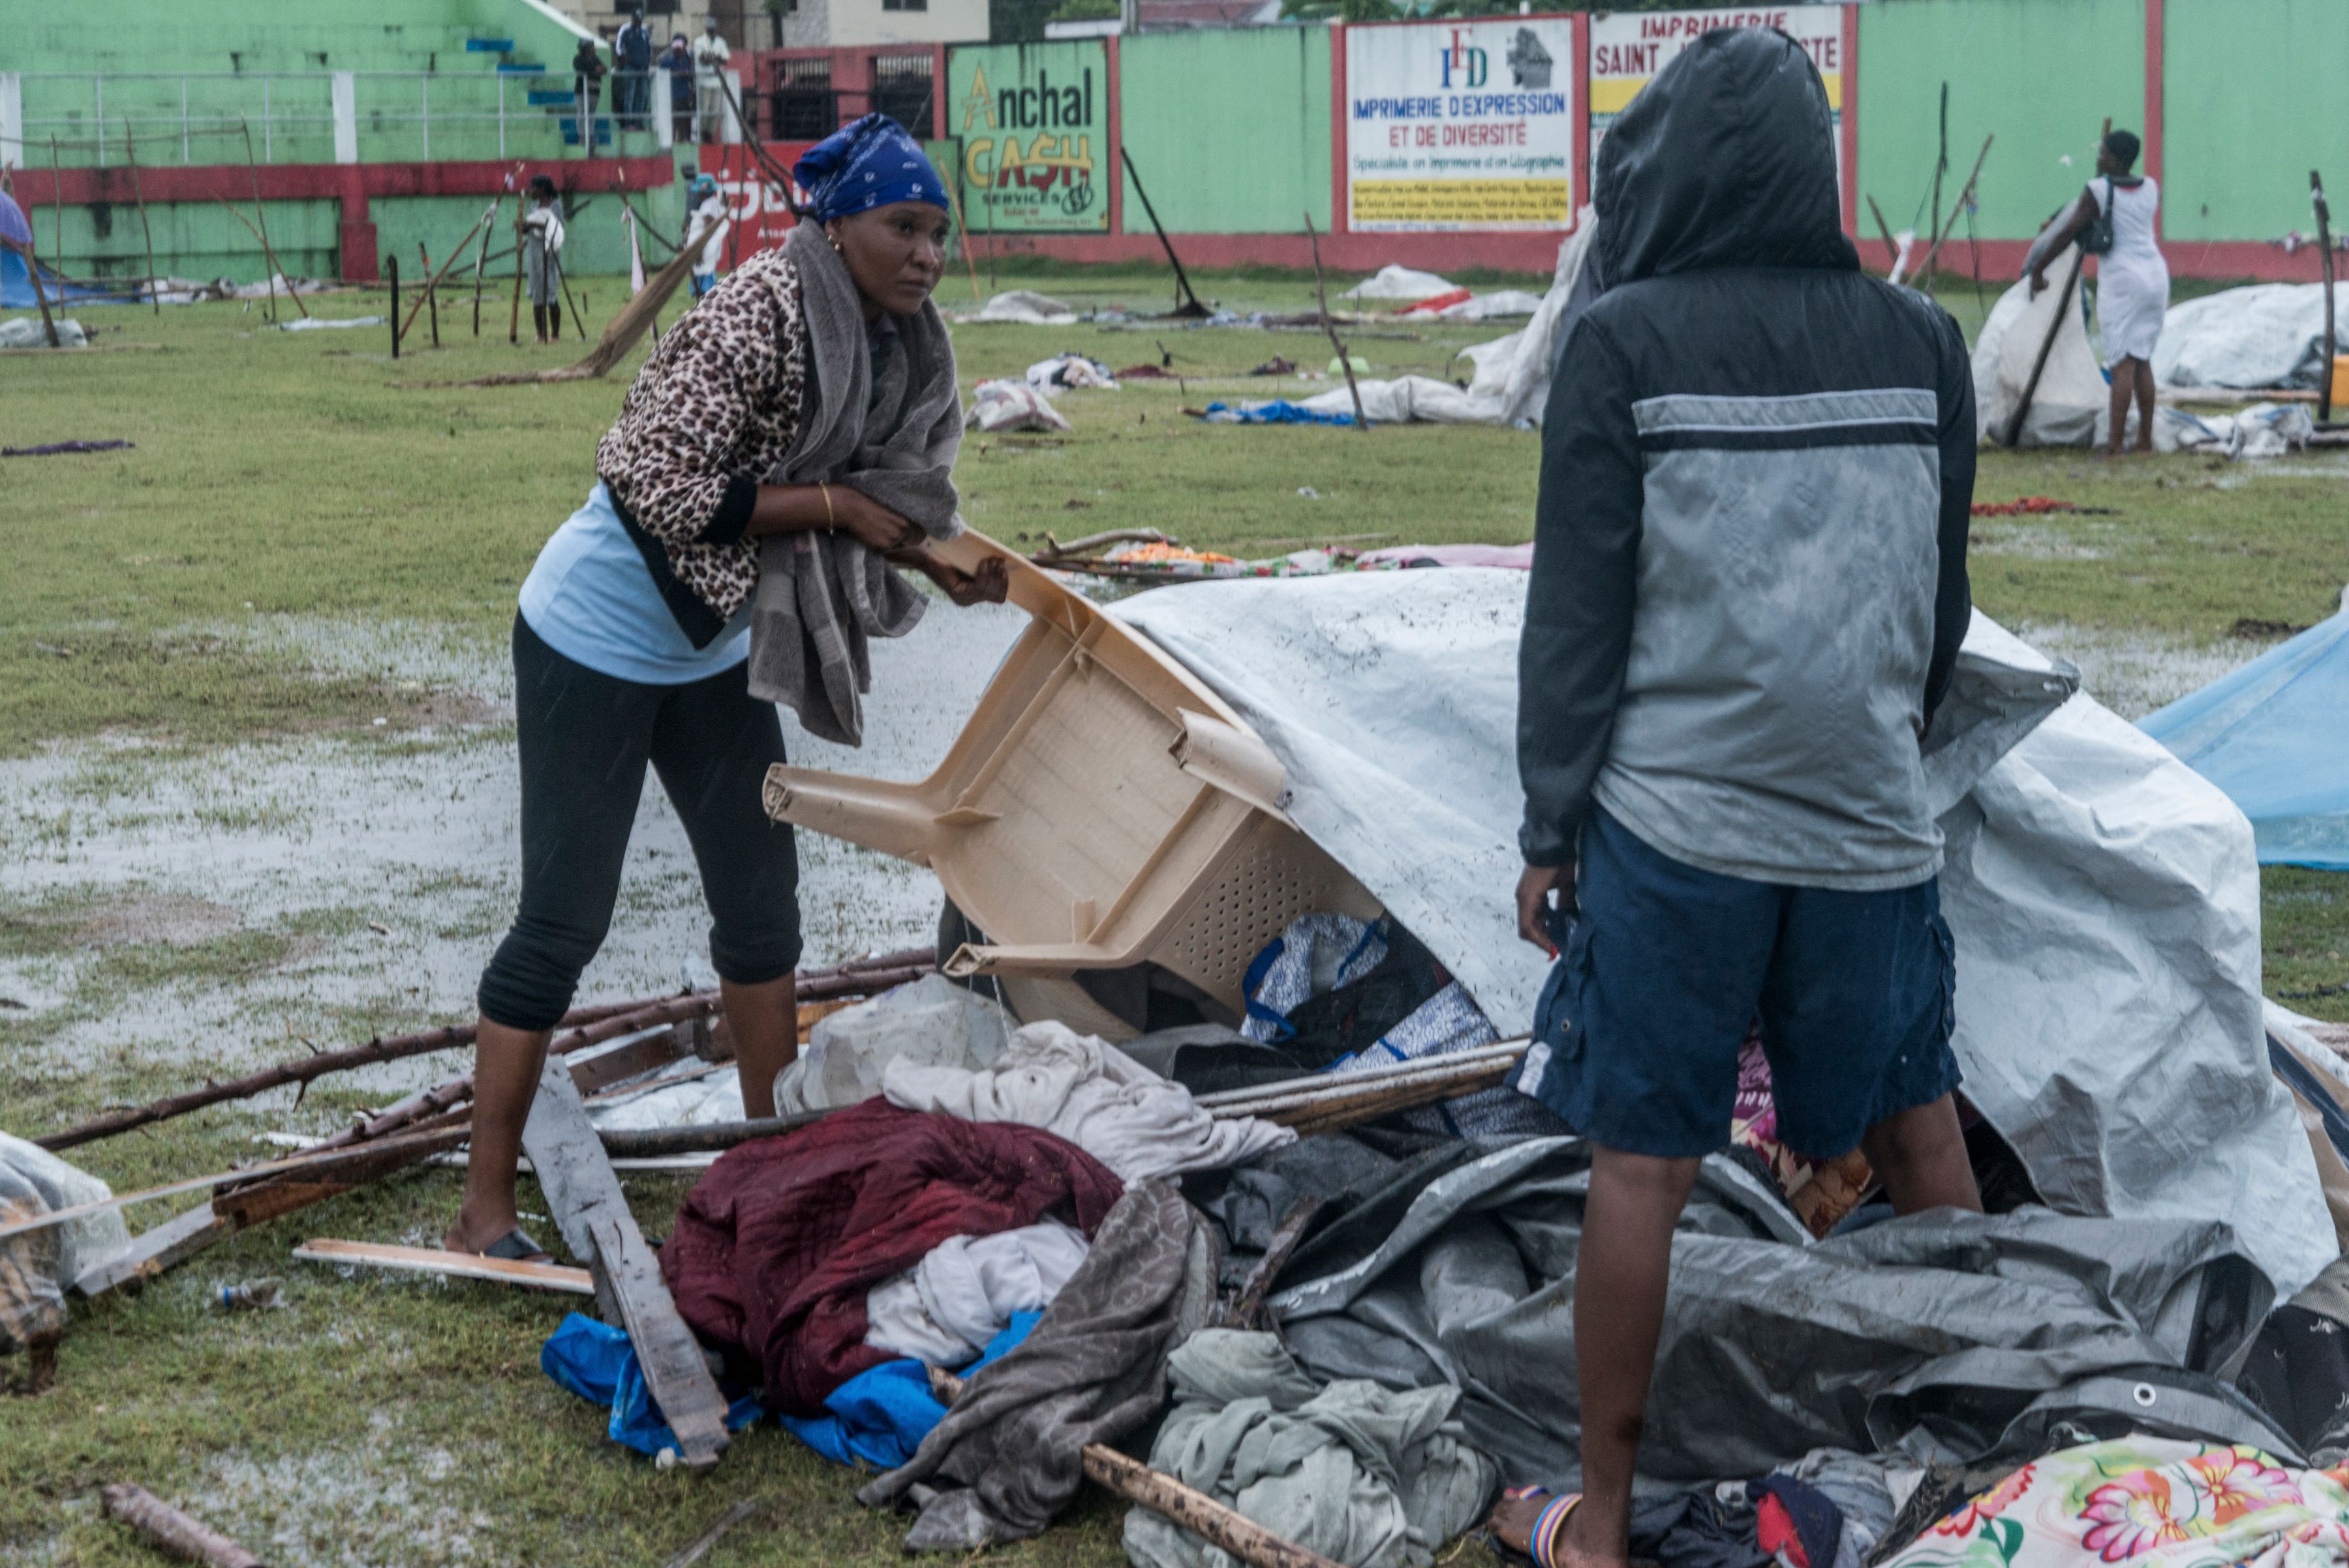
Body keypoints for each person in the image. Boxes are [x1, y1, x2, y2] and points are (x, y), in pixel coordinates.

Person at [1494, 29, 1982, 1568]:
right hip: (1864, 828)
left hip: (1675, 829)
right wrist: (1870, 763)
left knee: (1641, 1163)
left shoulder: (1621, 344)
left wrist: (1547, 824)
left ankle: (1607, 1526)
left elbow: (1575, 621)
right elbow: (1938, 611)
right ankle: (1993, 1467)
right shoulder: (1923, 343)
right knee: (1922, 1136)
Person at [445, 114, 1006, 1263]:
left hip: (709, 648)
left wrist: (931, 549)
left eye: (939, 233)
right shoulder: (757, 310)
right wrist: (845, 513)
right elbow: (654, 477)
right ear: (837, 224)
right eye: (904, 226)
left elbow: (863, 481)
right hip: (594, 634)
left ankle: (770, 1162)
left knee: (762, 911)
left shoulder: (894, 339)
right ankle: (484, 1208)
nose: (926, 254)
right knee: (563, 922)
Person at [2032, 129, 2168, 457]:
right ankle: (2145, 442)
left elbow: (2069, 231)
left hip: (2122, 281)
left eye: (2103, 153)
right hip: (2156, 277)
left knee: (2121, 364)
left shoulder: (2097, 190)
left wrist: (2039, 267)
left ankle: (2115, 446)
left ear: (2117, 159)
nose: (2098, 157)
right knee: (2142, 360)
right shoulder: (2151, 187)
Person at [518, 174, 567, 344]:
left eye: (533, 188)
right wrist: (523, 227)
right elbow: (528, 227)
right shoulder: (532, 207)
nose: (530, 191)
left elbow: (557, 228)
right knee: (538, 293)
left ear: (542, 189)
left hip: (550, 254)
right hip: (535, 255)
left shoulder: (555, 206)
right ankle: (540, 334)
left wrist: (533, 225)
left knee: (551, 292)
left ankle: (555, 334)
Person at [684, 172, 729, 299]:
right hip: (706, 249)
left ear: (701, 192)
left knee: (706, 282)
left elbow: (708, 229)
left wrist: (699, 249)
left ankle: (705, 303)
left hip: (704, 249)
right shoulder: (712, 203)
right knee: (705, 276)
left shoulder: (708, 206)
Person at [692, 16, 733, 144]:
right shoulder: (699, 42)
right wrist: (716, 58)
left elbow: (725, 59)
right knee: (704, 109)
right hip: (704, 81)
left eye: (713, 27)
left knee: (715, 110)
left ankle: (709, 134)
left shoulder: (721, 42)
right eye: (709, 27)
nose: (712, 29)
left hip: (717, 82)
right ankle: (702, 133)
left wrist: (712, 57)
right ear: (706, 28)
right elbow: (702, 59)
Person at [613, 8, 652, 131]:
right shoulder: (625, 29)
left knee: (641, 96)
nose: (638, 21)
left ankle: (638, 122)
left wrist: (648, 60)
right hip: (631, 68)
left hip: (643, 68)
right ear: (633, 18)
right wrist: (625, 58)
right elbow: (618, 47)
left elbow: (650, 47)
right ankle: (629, 123)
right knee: (629, 96)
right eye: (637, 19)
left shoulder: (645, 31)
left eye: (640, 19)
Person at [570, 36, 606, 149]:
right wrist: (594, 70)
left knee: (591, 114)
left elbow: (604, 69)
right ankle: (582, 136)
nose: (594, 49)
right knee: (582, 112)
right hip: (582, 91)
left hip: (594, 91)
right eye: (591, 47)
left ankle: (589, 135)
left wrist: (598, 70)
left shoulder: (596, 59)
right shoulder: (578, 59)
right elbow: (582, 69)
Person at [664, 36, 697, 145]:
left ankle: (686, 138)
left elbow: (692, 73)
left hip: (685, 95)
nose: (678, 52)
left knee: (686, 118)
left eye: (680, 50)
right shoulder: (667, 61)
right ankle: (672, 139)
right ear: (673, 50)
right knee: (673, 120)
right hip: (672, 95)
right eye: (676, 50)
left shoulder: (687, 61)